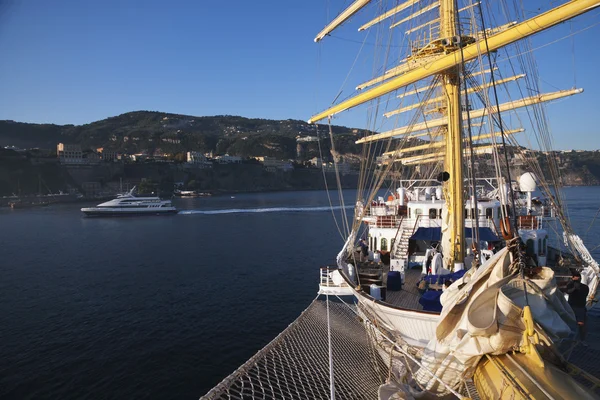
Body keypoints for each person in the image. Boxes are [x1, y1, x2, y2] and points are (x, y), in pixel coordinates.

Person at [566, 271, 589, 344]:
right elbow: (568, 291)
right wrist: (574, 288)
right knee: (569, 322)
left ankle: (581, 339)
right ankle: (572, 338)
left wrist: (577, 287)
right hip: (571, 306)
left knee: (581, 324)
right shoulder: (570, 285)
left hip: (579, 307)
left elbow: (584, 294)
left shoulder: (584, 287)